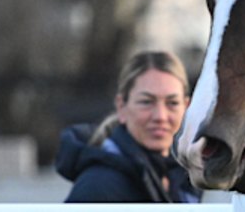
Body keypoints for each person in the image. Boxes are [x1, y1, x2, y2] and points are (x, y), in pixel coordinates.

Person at [56, 50, 201, 203]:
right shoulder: (97, 188)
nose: (160, 116)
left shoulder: (185, 180)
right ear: (121, 107)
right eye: (146, 102)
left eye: (172, 103)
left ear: (187, 107)